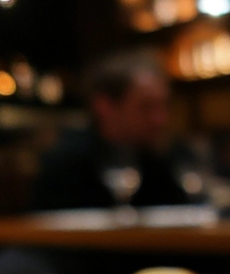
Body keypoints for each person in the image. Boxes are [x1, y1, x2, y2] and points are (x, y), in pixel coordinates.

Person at [32, 49, 201, 211]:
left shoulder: (162, 160)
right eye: (146, 107)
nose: (160, 119)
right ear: (104, 106)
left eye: (164, 106)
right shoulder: (65, 166)